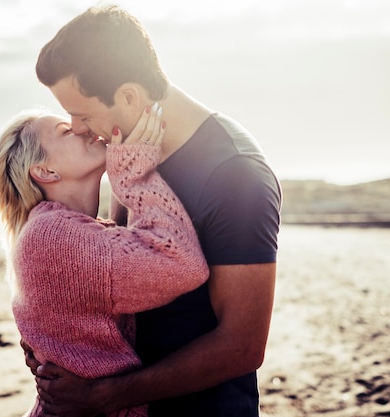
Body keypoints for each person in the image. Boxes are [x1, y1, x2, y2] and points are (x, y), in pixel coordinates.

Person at [31, 5, 282, 417]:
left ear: (129, 96)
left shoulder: (235, 175)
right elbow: (117, 270)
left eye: (83, 114)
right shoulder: (128, 151)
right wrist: (50, 346)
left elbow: (242, 345)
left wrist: (101, 396)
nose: (76, 127)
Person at [0, 105, 210, 417]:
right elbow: (184, 265)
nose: (83, 127)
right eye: (65, 131)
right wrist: (134, 174)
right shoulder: (55, 235)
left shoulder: (60, 230)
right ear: (45, 171)